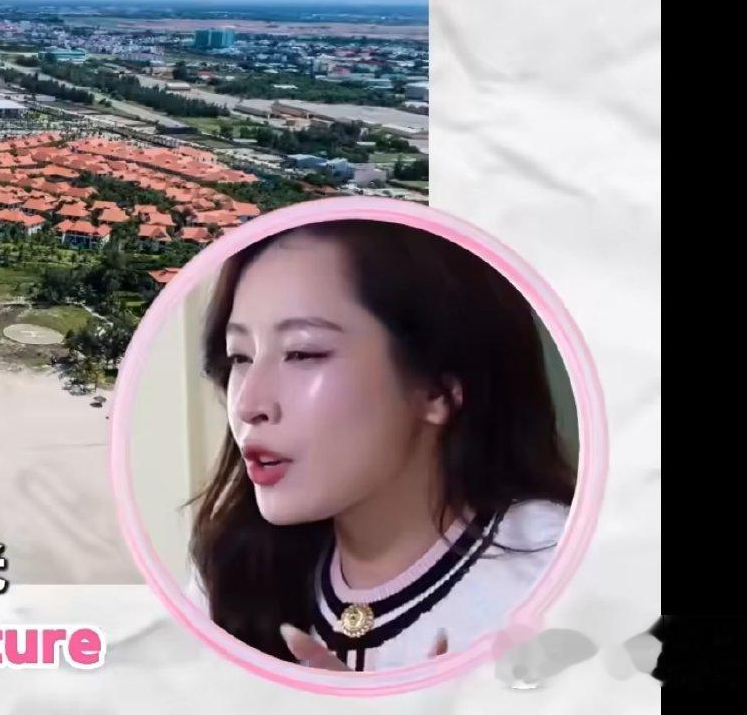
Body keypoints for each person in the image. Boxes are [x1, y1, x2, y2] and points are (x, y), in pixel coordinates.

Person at [185, 219, 574, 672]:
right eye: (240, 357)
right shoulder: (230, 572)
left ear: (437, 389)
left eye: (303, 353)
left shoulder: (559, 574)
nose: (248, 404)